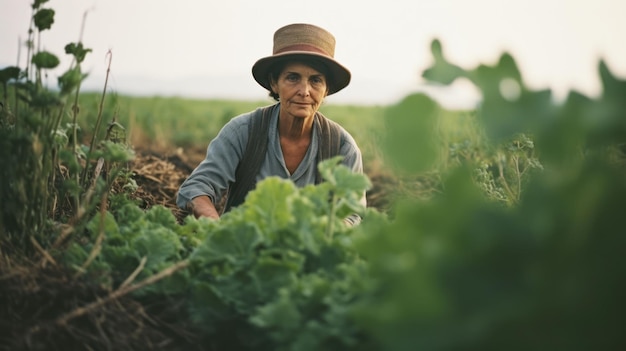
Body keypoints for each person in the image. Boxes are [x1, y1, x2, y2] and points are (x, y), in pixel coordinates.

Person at [176, 23, 366, 225]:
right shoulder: (244, 132)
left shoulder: (341, 147)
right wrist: (217, 229)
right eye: (293, 78)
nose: (304, 91)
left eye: (316, 80)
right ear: (274, 83)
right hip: (243, 249)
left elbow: (352, 213)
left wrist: (326, 237)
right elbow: (196, 188)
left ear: (326, 89)